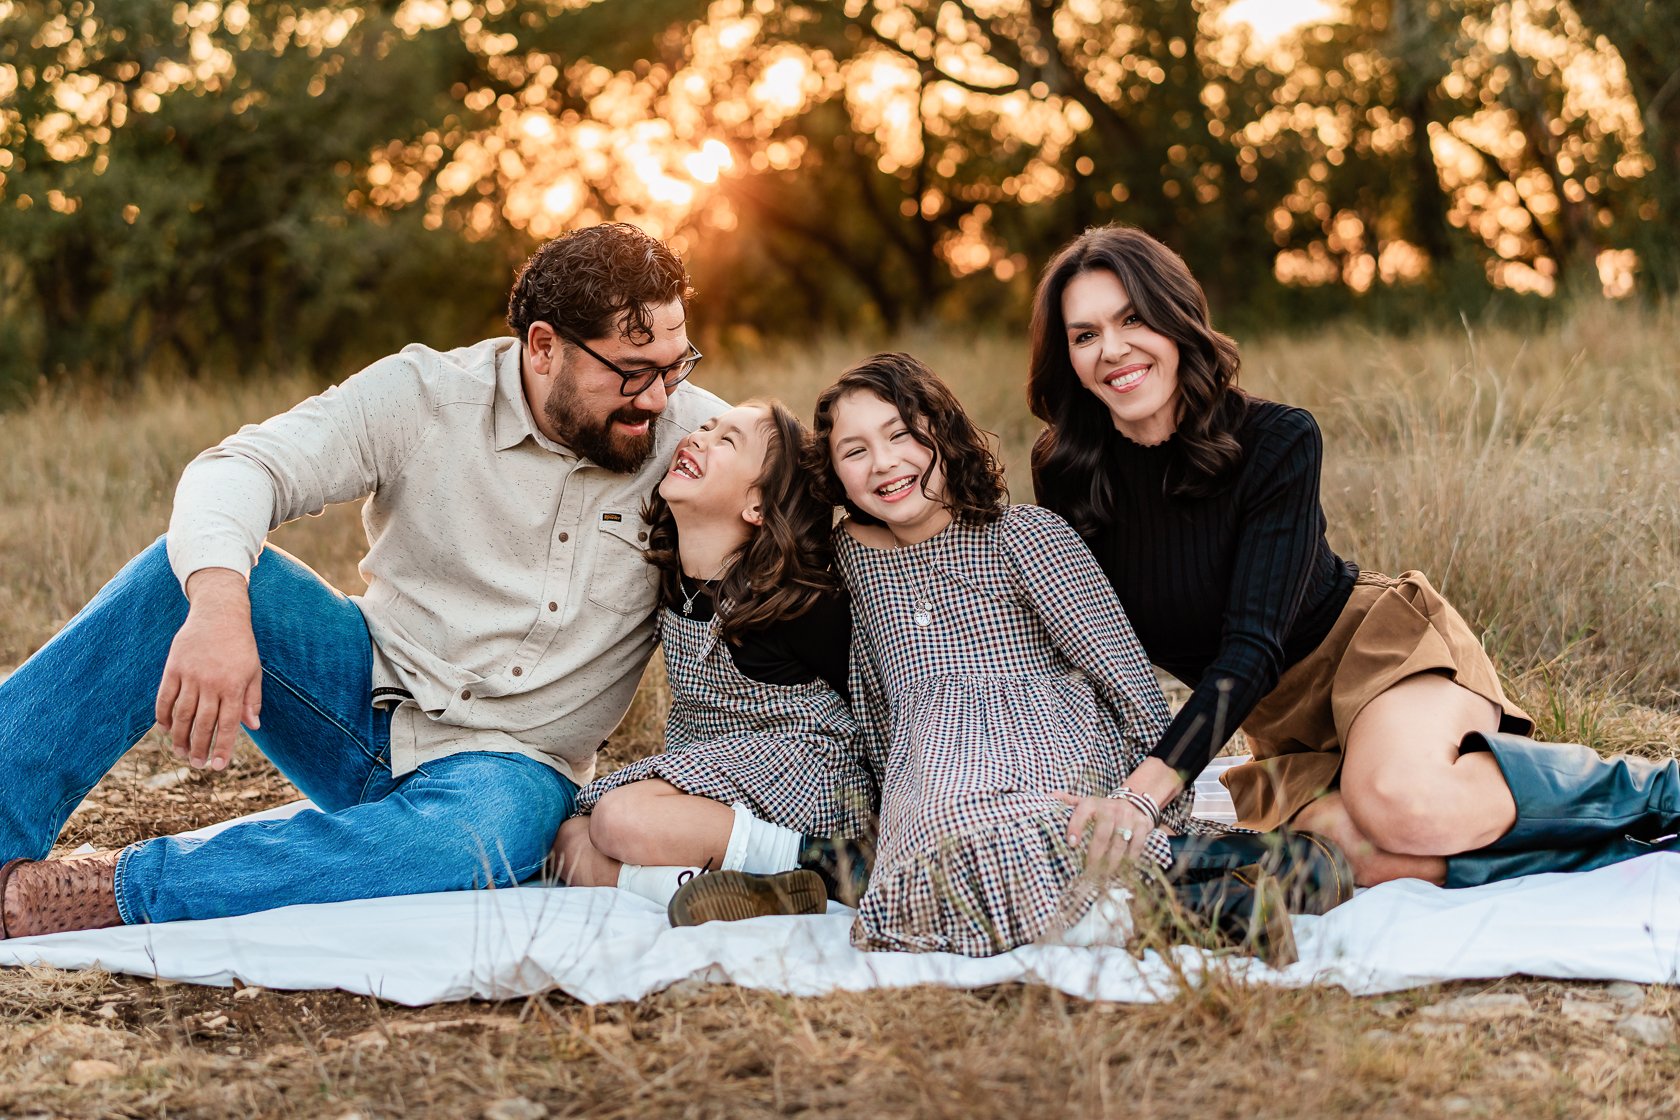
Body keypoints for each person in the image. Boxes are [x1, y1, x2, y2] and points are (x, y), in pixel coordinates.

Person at [0, 223, 726, 939]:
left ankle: (102, 890)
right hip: (357, 698)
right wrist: (219, 604)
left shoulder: (699, 446)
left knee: (481, 838)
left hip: (510, 770)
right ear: (542, 347)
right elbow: (242, 468)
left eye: (674, 366)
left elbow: (811, 504)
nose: (658, 397)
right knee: (184, 573)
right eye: (631, 372)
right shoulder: (424, 395)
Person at [1027, 223, 1680, 890]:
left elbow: (1252, 646)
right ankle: (1622, 853)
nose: (1113, 349)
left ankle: (1663, 792)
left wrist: (1144, 794)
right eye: (1085, 335)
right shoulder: (1069, 474)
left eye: (1133, 318)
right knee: (1357, 851)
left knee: (1402, 803)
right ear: (1068, 356)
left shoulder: (1277, 440)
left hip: (1375, 651)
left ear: (1176, 319)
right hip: (1279, 722)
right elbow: (1081, 651)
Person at [722, 352, 1350, 961]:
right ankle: (1212, 897)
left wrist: (1156, 805)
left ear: (944, 433)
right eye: (854, 451)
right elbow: (872, 692)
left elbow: (1124, 676)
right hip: (931, 757)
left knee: (977, 835)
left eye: (902, 435)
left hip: (1043, 734)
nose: (885, 463)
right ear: (834, 476)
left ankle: (1211, 862)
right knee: (913, 873)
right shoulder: (850, 561)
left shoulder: (1023, 535)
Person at [549, 400, 876, 921]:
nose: (699, 437)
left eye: (727, 441)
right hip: (722, 773)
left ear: (758, 507)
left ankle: (831, 867)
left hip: (807, 777)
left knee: (617, 819)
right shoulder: (675, 579)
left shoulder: (791, 603)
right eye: (705, 427)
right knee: (568, 844)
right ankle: (741, 891)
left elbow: (873, 695)